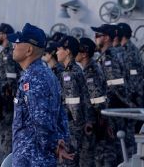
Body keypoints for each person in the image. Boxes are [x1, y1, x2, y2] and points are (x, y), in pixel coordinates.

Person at [8, 23, 72, 167]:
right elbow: (61, 113)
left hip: (32, 157)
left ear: (29, 49)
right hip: (40, 156)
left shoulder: (33, 78)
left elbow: (40, 119)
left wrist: (53, 145)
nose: (14, 46)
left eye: (18, 42)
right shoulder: (47, 74)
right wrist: (60, 140)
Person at [91, 24, 133, 165]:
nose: (95, 38)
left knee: (115, 151)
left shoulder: (110, 58)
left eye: (97, 35)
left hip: (114, 112)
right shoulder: (105, 56)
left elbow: (115, 88)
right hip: (114, 110)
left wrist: (106, 112)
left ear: (107, 38)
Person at [56, 35, 95, 167]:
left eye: (59, 48)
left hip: (71, 126)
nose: (56, 51)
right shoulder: (76, 69)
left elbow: (73, 104)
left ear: (67, 52)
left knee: (68, 162)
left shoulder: (68, 74)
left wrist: (74, 128)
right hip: (76, 126)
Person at [75, 37, 113, 167]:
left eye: (78, 51)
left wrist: (97, 120)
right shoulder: (88, 69)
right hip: (94, 119)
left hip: (94, 121)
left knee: (88, 158)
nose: (75, 53)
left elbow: (97, 99)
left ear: (84, 53)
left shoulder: (91, 72)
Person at [0, 23, 22, 160]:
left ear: (4, 35)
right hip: (7, 100)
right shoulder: (8, 51)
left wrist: (9, 97)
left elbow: (11, 78)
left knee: (7, 137)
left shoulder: (7, 52)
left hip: (8, 102)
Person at [118, 23, 144, 133]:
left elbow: (134, 78)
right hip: (132, 99)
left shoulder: (129, 52)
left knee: (129, 135)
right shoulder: (125, 50)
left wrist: (128, 100)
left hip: (134, 100)